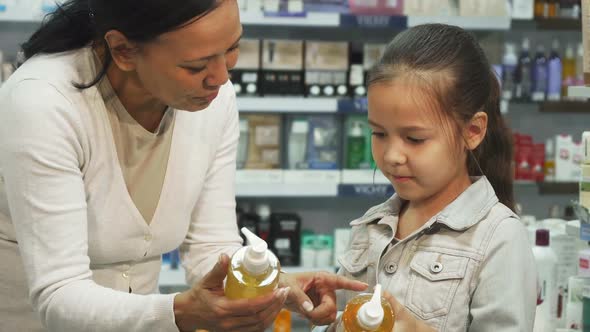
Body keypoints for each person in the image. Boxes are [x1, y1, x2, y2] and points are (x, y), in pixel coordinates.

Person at [0, 0, 366, 331]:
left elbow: (211, 247)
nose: (221, 77)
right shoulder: (45, 105)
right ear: (124, 50)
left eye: (233, 48)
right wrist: (179, 312)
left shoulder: (211, 99)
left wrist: (267, 283)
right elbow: (59, 295)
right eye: (195, 65)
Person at [329, 24, 537, 331]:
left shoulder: (499, 239)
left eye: (414, 139)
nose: (391, 156)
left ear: (473, 131)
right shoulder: (371, 228)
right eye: (379, 133)